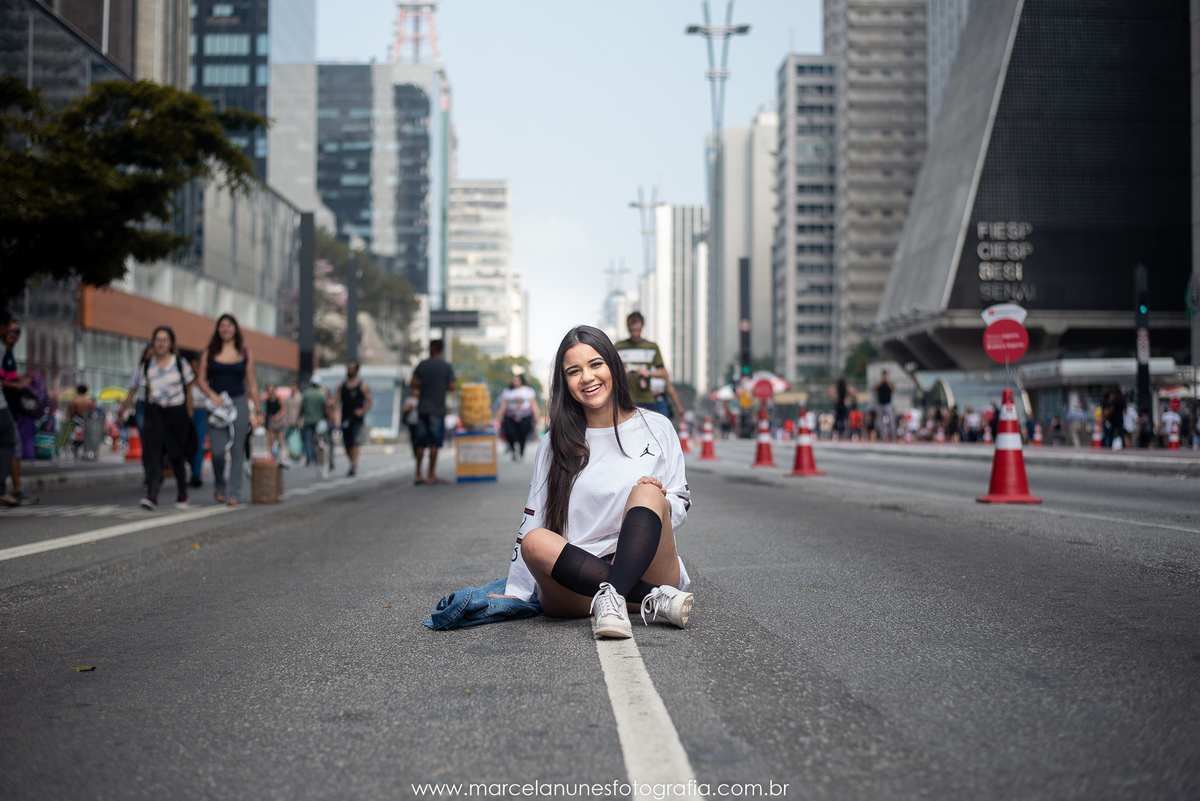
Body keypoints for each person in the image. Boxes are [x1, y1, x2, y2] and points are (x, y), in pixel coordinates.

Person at [500, 325, 693, 639]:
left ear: (613, 366)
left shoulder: (657, 426)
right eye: (574, 371)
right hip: (575, 581)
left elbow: (680, 500)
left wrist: (659, 499)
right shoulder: (553, 443)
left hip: (649, 565)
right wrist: (517, 592)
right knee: (535, 541)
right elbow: (532, 517)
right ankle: (650, 598)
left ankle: (616, 594)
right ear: (565, 382)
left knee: (647, 491)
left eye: (595, 364)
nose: (587, 377)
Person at [196, 314, 260, 506]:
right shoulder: (209, 352)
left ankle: (235, 493)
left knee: (236, 449)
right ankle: (220, 484)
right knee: (216, 451)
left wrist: (258, 410)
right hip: (217, 406)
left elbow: (253, 384)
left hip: (239, 402)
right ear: (218, 329)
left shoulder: (245, 352)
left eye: (229, 326)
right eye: (222, 326)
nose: (226, 329)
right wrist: (212, 395)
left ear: (235, 329)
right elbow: (200, 380)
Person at [132, 326, 195, 510]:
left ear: (171, 343)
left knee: (176, 455)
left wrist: (189, 412)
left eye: (164, 340)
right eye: (157, 340)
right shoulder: (146, 365)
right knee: (153, 454)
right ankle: (152, 495)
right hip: (155, 412)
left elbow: (189, 389)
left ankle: (182, 493)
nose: (160, 343)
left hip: (176, 412)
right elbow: (144, 390)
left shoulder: (180, 363)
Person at [1, 314, 38, 505]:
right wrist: (20, 383)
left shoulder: (8, 353)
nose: (14, 334)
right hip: (3, 407)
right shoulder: (2, 352)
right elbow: (4, 381)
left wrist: (22, 377)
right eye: (11, 330)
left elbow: (8, 377)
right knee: (12, 444)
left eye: (18, 331)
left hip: (9, 406)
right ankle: (16, 489)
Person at [410, 340, 456, 485]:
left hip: (423, 408)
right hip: (438, 408)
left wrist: (423, 386)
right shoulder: (446, 366)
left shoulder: (423, 364)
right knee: (434, 443)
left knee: (420, 442)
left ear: (432, 348)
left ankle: (418, 474)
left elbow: (412, 383)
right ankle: (431, 475)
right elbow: (452, 386)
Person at [614, 311, 670, 417]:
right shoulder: (618, 347)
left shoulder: (652, 347)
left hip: (648, 399)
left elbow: (663, 372)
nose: (635, 333)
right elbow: (610, 370)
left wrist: (648, 373)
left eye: (637, 330)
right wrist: (621, 373)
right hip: (626, 399)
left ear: (642, 327)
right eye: (632, 330)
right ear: (627, 327)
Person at [337, 361, 373, 477]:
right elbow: (336, 402)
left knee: (355, 441)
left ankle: (353, 465)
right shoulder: (342, 386)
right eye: (348, 368)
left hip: (357, 419)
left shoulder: (362, 385)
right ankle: (351, 462)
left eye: (352, 368)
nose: (350, 370)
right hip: (345, 417)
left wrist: (362, 410)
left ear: (357, 370)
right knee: (347, 444)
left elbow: (370, 402)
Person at [495, 373, 540, 461]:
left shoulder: (527, 390)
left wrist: (536, 415)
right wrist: (500, 415)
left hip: (525, 416)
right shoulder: (508, 390)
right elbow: (504, 404)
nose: (515, 382)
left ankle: (521, 452)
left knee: (522, 435)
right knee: (509, 433)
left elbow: (533, 403)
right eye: (514, 380)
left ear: (521, 380)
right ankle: (513, 449)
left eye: (517, 380)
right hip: (510, 416)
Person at [300, 376, 331, 466]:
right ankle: (318, 457)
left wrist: (299, 418)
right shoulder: (321, 395)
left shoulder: (306, 394)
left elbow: (302, 408)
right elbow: (325, 409)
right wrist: (328, 418)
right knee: (320, 440)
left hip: (308, 420)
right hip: (319, 421)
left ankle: (310, 458)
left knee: (308, 440)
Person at [263, 383, 287, 460]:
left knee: (279, 436)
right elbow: (266, 410)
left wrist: (278, 416)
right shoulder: (266, 400)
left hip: (277, 420)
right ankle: (271, 453)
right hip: (270, 419)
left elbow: (284, 409)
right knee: (271, 437)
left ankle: (279, 452)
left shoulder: (278, 399)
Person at [874, 370, 894, 441]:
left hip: (888, 404)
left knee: (891, 421)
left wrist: (887, 381)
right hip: (880, 404)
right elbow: (875, 387)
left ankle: (892, 436)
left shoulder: (889, 383)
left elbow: (893, 389)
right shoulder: (880, 383)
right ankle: (882, 436)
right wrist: (881, 381)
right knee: (880, 422)